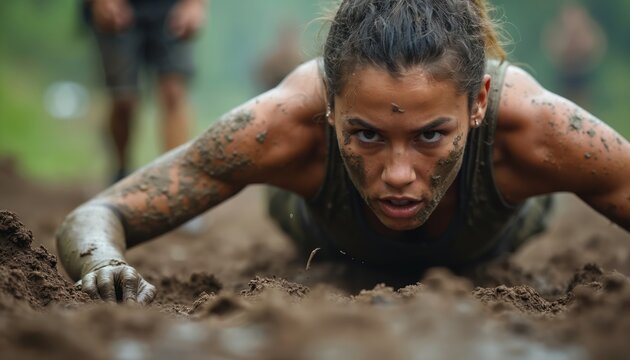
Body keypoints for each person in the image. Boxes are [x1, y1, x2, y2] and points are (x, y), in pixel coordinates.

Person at [57, 0, 629, 305]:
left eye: (431, 134)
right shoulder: (284, 122)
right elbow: (97, 215)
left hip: (502, 229)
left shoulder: (535, 125)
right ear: (330, 103)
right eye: (367, 135)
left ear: (478, 102)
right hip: (318, 231)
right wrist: (104, 265)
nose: (399, 174)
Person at [83, 0, 207, 182]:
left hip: (171, 8)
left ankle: (176, 181)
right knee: (123, 99)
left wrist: (195, 4)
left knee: (174, 92)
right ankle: (121, 173)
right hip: (118, 8)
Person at [542, 1, 607, 108]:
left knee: (583, 104)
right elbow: (554, 51)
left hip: (582, 73)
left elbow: (594, 48)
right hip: (565, 74)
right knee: (562, 103)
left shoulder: (587, 30)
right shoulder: (558, 29)